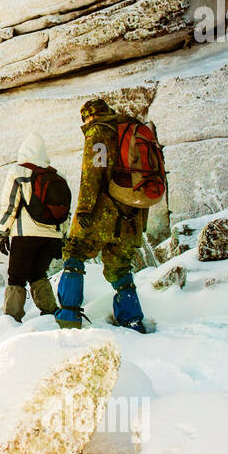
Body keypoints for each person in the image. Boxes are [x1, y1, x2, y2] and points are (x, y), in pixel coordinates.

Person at [55, 98, 153, 333]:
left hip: (102, 213)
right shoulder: (130, 132)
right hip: (132, 215)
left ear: (89, 116)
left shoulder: (98, 132)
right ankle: (132, 321)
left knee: (74, 253)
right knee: (120, 267)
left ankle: (69, 316)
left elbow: (93, 173)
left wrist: (85, 209)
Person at [0, 132, 69, 322]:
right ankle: (50, 312)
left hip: (25, 234)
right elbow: (65, 211)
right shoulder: (58, 176)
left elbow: (10, 204)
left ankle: (11, 320)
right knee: (38, 273)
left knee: (16, 278)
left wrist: (3, 232)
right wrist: (63, 237)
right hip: (52, 237)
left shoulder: (19, 172)